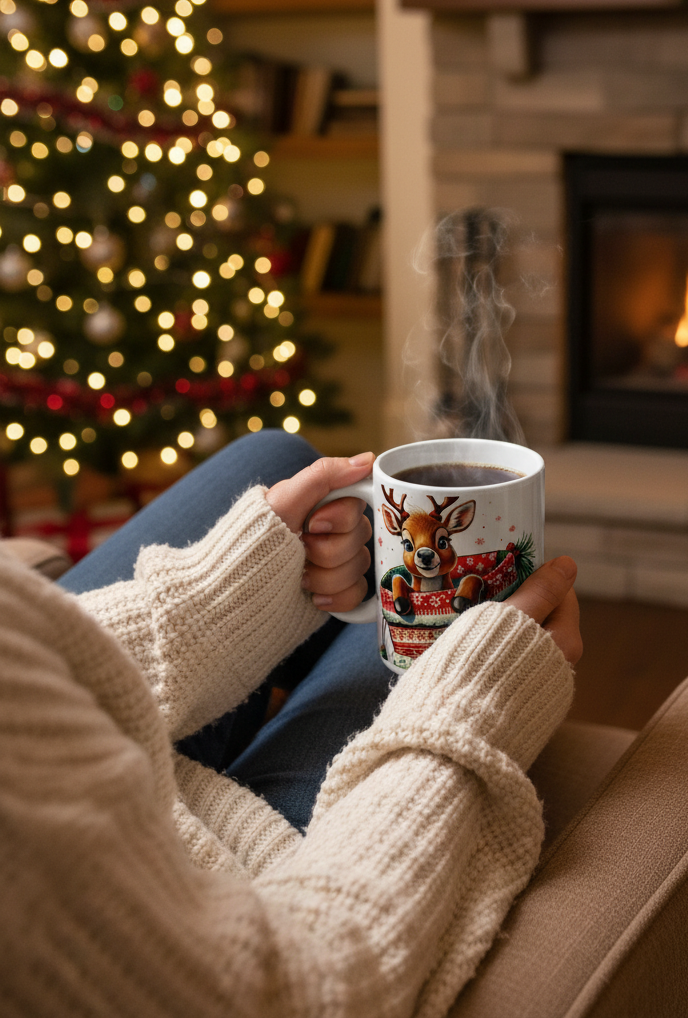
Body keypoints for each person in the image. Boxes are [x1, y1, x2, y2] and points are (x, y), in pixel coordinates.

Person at [0, 430, 582, 1018]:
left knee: (278, 457)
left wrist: (218, 604)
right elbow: (299, 995)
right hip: (214, 878)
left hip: (65, 730)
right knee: (397, 637)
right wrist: (472, 701)